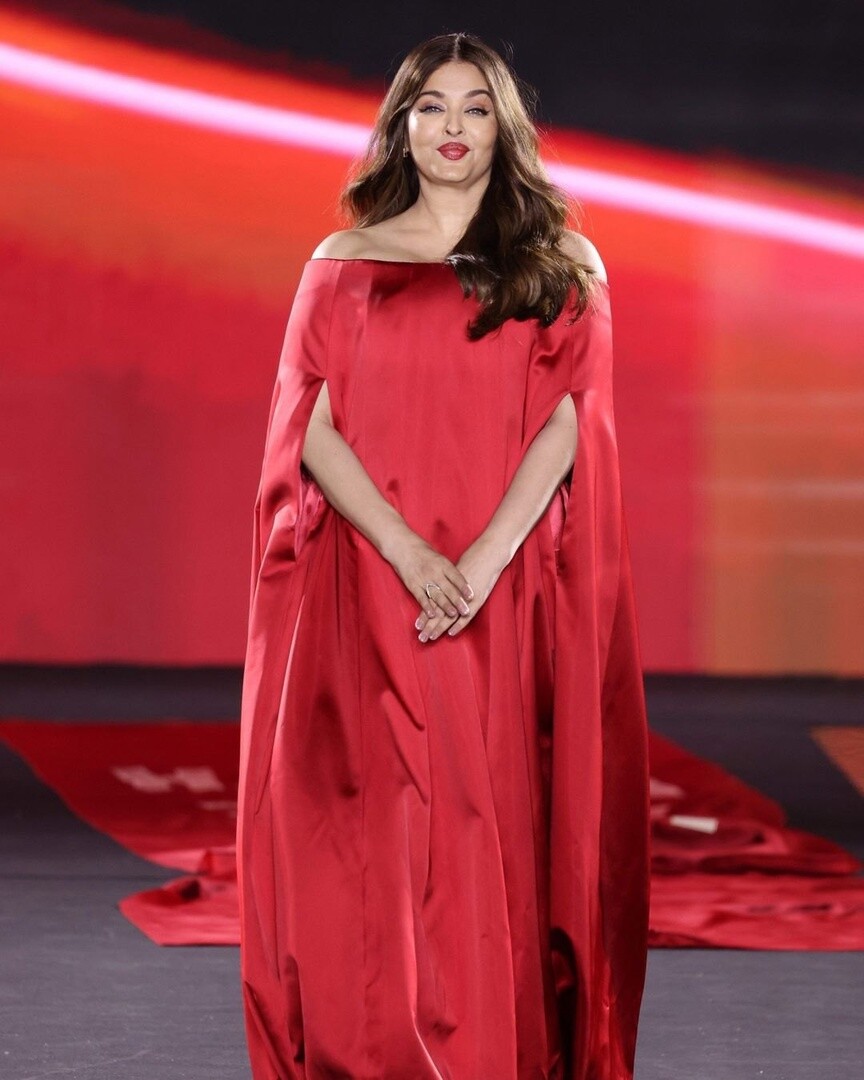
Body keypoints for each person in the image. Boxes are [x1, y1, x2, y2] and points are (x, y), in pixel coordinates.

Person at [237, 31, 650, 1080]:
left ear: (503, 128)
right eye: (432, 106)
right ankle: (373, 1049)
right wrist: (411, 554)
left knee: (485, 811)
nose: (453, 127)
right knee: (378, 817)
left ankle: (489, 1047)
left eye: (474, 107)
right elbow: (308, 424)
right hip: (373, 575)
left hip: (502, 588)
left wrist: (485, 560)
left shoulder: (564, 263)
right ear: (402, 126)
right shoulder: (342, 261)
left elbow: (573, 420)